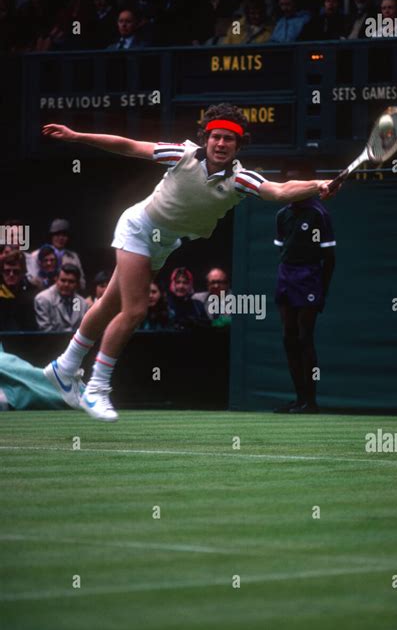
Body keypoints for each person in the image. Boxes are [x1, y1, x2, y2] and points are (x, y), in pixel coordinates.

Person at [41, 103, 336, 421]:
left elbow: (279, 191)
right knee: (136, 309)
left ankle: (65, 366)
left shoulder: (241, 180)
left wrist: (317, 185)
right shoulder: (180, 154)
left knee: (111, 304)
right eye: (216, 137)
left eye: (229, 140)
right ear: (206, 139)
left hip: (164, 243)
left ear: (238, 145)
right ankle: (97, 388)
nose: (221, 144)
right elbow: (128, 145)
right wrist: (77, 136)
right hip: (138, 228)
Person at [273, 168, 336, 414]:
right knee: (289, 338)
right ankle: (299, 399)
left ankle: (311, 401)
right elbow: (282, 250)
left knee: (304, 337)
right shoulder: (282, 214)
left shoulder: (319, 214)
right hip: (286, 276)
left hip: (310, 277)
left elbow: (330, 258)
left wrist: (323, 291)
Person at [35, 264, 88, 332]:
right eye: (63, 280)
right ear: (56, 279)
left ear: (77, 283)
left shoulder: (81, 302)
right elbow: (46, 330)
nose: (66, 285)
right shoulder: (43, 299)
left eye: (71, 281)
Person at [0, 252, 37, 331]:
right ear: (2, 273)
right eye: (7, 271)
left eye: (16, 271)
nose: (11, 275)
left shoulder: (30, 296)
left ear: (23, 273)